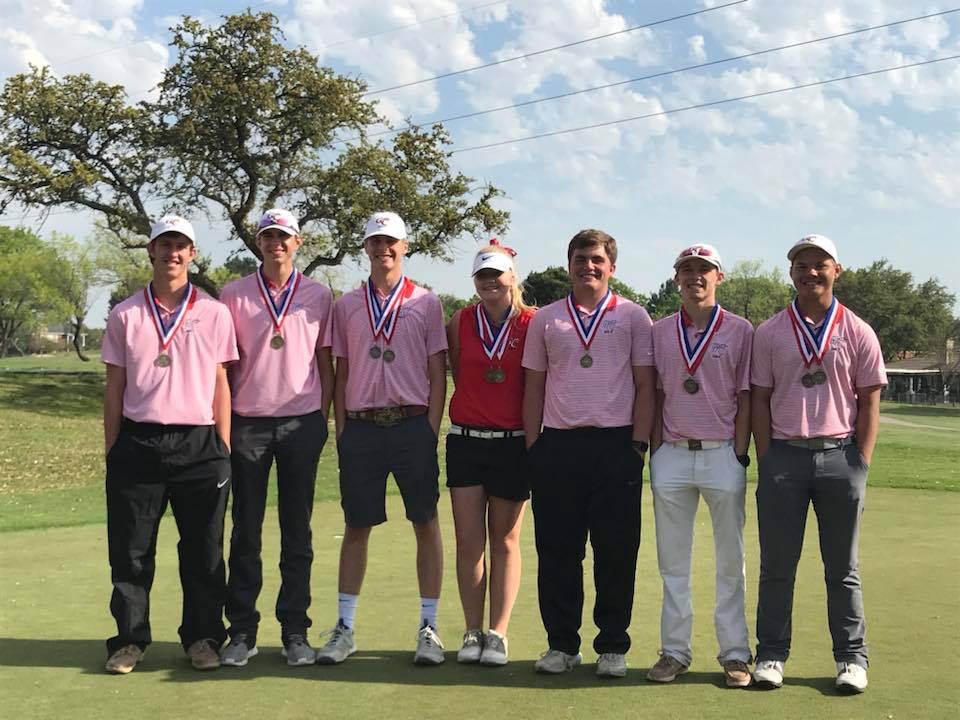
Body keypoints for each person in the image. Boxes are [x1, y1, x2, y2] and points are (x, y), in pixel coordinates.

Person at [101, 215, 237, 674]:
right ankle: (129, 640)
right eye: (165, 244)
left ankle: (202, 638)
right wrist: (113, 447)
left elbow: (221, 381)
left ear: (193, 254)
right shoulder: (125, 313)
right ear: (151, 251)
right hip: (138, 443)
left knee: (203, 551)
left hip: (200, 444)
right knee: (131, 551)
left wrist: (222, 444)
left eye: (182, 245)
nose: (173, 252)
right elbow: (115, 385)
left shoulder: (215, 312)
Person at [751, 234, 886, 693]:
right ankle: (770, 654)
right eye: (802, 265)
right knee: (777, 566)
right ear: (791, 272)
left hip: (839, 455)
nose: (811, 272)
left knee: (842, 568)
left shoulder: (857, 330)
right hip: (784, 458)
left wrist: (860, 462)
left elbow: (869, 401)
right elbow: (760, 401)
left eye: (820, 265)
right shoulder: (769, 332)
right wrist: (767, 457)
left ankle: (851, 658)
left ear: (837, 270)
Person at [315, 211, 448, 666]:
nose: (383, 249)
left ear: (404, 247)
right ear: (366, 248)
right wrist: (343, 426)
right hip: (363, 427)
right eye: (375, 242)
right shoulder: (347, 305)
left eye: (390, 242)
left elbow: (436, 371)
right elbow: (342, 369)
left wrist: (430, 428)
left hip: (412, 425)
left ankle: (429, 627)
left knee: (425, 523)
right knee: (357, 526)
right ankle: (345, 628)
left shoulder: (427, 303)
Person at [521, 228, 655, 678]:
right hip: (557, 445)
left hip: (617, 445)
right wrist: (534, 445)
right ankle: (562, 644)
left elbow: (645, 385)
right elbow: (534, 386)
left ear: (612, 267)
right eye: (580, 258)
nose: (588, 266)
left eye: (597, 259)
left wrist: (637, 445)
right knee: (558, 551)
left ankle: (613, 646)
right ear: (569, 265)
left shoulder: (635, 317)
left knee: (616, 551)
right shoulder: (546, 319)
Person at [218, 209, 335, 667]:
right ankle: (242, 631)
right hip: (248, 423)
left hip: (301, 423)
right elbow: (225, 368)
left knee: (297, 531)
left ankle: (294, 631)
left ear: (298, 242)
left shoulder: (319, 295)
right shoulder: (233, 294)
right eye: (268, 236)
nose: (276, 243)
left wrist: (320, 418)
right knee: (245, 530)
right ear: (259, 242)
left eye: (283, 236)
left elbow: (326, 363)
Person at [646, 244, 753, 688]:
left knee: (731, 561)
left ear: (719, 277)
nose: (695, 277)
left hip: (721, 452)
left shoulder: (741, 330)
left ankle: (735, 653)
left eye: (704, 270)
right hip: (671, 453)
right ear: (677, 279)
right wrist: (655, 451)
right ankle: (674, 651)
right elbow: (651, 392)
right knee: (673, 562)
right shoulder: (659, 330)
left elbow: (747, 395)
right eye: (687, 271)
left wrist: (739, 452)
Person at [446, 240, 535, 667]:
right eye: (482, 275)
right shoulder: (460, 321)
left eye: (496, 274)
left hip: (512, 443)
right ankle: (471, 630)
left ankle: (497, 632)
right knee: (468, 541)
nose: (489, 282)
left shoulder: (533, 323)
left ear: (512, 277)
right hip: (465, 440)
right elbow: (461, 373)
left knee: (504, 540)